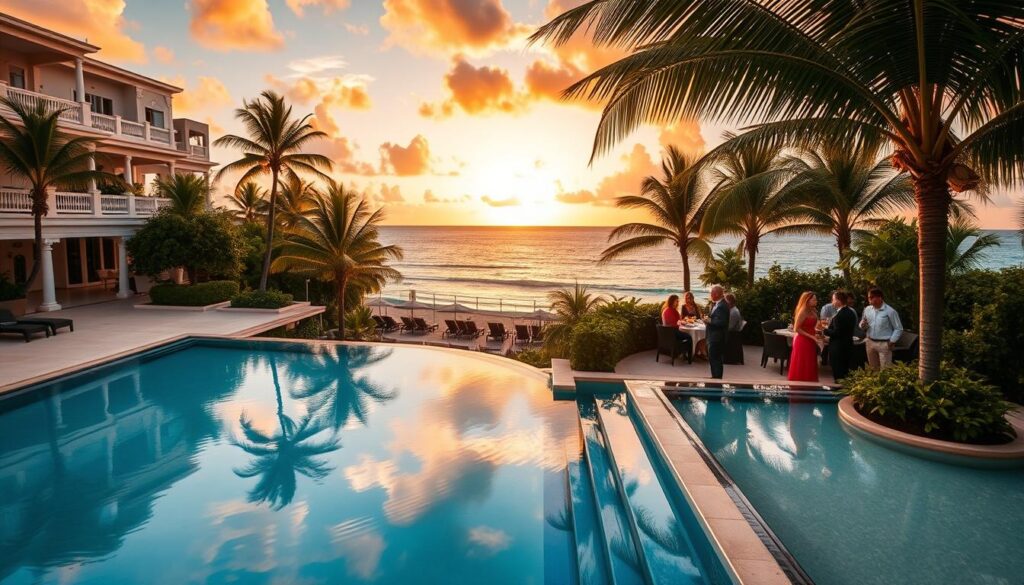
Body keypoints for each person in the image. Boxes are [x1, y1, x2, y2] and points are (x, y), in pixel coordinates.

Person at [859, 287, 903, 370]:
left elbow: (898, 328)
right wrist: (862, 325)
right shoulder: (867, 309)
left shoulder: (890, 311)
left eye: (871, 297)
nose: (869, 299)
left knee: (885, 370)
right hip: (870, 342)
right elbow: (862, 324)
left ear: (880, 298)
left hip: (884, 344)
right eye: (869, 297)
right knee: (873, 369)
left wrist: (892, 341)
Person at [787, 291, 822, 382]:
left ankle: (810, 383)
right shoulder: (803, 311)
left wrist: (817, 332)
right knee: (802, 362)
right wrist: (811, 336)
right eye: (814, 299)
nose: (816, 301)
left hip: (811, 339)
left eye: (816, 299)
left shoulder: (814, 310)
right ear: (807, 300)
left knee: (810, 362)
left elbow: (815, 325)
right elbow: (796, 328)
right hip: (802, 340)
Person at [823, 290, 857, 383]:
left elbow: (837, 332)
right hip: (848, 345)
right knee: (845, 371)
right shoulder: (851, 312)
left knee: (838, 371)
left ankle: (838, 391)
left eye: (833, 299)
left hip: (838, 348)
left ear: (838, 300)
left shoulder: (840, 315)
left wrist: (824, 330)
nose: (832, 302)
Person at [704, 285, 729, 379]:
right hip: (713, 336)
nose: (710, 295)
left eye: (711, 293)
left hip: (717, 337)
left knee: (716, 359)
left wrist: (709, 321)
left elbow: (722, 322)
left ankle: (717, 379)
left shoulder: (722, 306)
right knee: (712, 358)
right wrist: (708, 319)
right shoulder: (716, 304)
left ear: (717, 294)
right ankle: (714, 377)